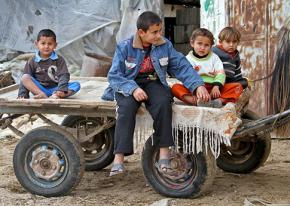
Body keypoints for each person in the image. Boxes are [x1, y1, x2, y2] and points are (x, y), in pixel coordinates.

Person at [102, 11, 210, 176]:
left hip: (153, 81)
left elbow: (181, 66)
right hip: (128, 84)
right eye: (154, 32)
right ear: (141, 32)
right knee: (126, 108)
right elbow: (114, 76)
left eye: (160, 31)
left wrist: (197, 85)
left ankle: (164, 152)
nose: (159, 35)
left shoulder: (164, 45)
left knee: (163, 103)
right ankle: (118, 158)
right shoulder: (125, 47)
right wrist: (133, 89)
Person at [17, 29, 80, 99]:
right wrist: (22, 94)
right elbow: (25, 79)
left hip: (56, 88)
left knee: (76, 85)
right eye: (43, 43)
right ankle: (42, 95)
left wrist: (61, 89)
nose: (46, 46)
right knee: (25, 77)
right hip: (39, 89)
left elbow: (64, 75)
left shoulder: (59, 59)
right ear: (37, 44)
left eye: (50, 44)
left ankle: (57, 95)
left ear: (55, 45)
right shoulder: (32, 60)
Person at [171, 28, 225, 108]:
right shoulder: (187, 59)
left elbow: (220, 72)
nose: (202, 48)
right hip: (194, 89)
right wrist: (195, 88)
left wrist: (216, 86)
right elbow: (185, 76)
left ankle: (218, 101)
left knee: (236, 87)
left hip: (212, 88)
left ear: (211, 46)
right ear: (192, 43)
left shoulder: (214, 58)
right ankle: (197, 101)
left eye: (206, 45)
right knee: (175, 88)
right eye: (199, 44)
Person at [212, 27, 248, 101]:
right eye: (228, 42)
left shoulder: (236, 56)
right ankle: (219, 98)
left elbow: (237, 73)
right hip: (214, 81)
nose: (231, 45)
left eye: (234, 42)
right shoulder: (214, 52)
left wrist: (242, 82)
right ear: (220, 42)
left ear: (238, 42)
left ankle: (221, 100)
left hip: (228, 83)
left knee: (243, 84)